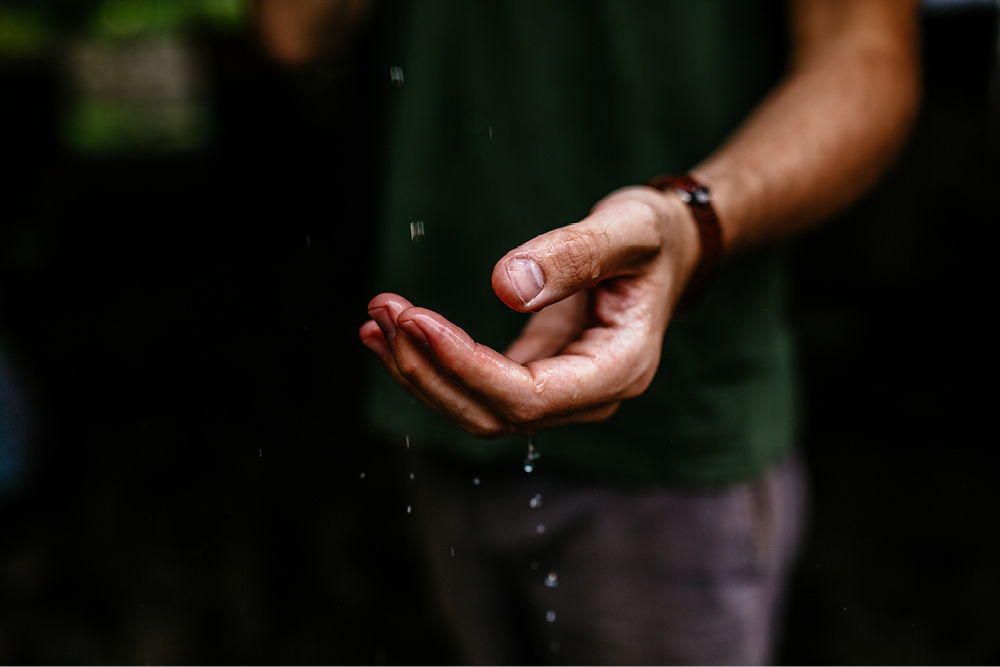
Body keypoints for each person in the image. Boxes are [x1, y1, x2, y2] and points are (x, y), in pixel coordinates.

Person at [261, 0, 920, 663]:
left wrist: (694, 221)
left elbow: (866, 57)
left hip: (675, 437)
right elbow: (294, 32)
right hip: (427, 402)